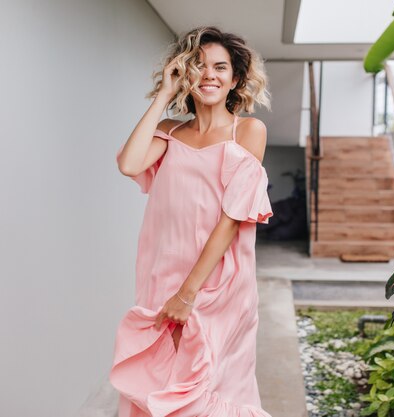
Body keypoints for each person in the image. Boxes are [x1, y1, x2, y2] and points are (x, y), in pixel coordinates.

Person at [110, 26, 274, 417]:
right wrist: (164, 96)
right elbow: (128, 163)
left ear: (235, 79)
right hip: (161, 276)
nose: (209, 75)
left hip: (217, 284)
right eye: (198, 66)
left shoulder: (247, 131)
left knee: (207, 388)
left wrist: (188, 294)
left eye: (220, 67)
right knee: (159, 383)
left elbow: (231, 220)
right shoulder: (169, 132)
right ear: (185, 74)